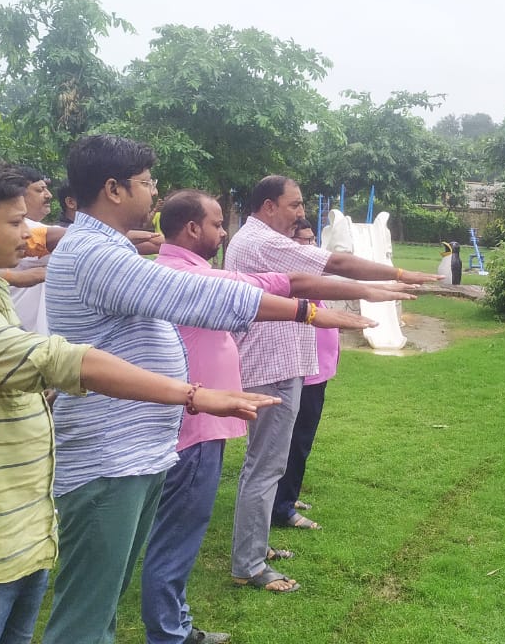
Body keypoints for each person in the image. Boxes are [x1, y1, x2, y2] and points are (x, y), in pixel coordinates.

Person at [0, 157, 279, 644]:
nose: (28, 236)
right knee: (82, 625)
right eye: (13, 223)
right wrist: (193, 395)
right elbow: (64, 360)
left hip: (17, 530)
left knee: (91, 616)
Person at [40, 137, 374, 644]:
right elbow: (193, 295)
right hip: (110, 454)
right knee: (85, 616)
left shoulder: (108, 247)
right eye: (147, 182)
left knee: (104, 600)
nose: (154, 192)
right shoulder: (93, 253)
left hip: (133, 448)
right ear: (112, 188)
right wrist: (307, 309)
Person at [140, 194, 414, 644]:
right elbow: (282, 287)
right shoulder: (188, 272)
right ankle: (189, 615)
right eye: (214, 223)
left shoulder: (190, 268)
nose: (222, 232)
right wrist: (342, 304)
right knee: (188, 526)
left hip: (203, 412)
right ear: (192, 229)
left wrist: (365, 291)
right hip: (200, 416)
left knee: (195, 519)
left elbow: (282, 282)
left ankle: (179, 620)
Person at [225, 175, 438, 594]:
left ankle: (255, 546)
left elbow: (309, 282)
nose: (301, 212)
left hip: (278, 363)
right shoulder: (260, 240)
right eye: (294, 205)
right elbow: (332, 266)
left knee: (268, 464)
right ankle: (248, 563)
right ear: (268, 207)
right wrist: (395, 274)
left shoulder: (258, 239)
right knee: (265, 467)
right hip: (271, 366)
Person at [270, 218, 340, 532]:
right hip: (302, 369)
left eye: (312, 240)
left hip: (319, 368)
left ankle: (287, 495)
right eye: (302, 241)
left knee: (303, 438)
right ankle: (282, 508)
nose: (309, 247)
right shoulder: (291, 279)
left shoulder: (309, 272)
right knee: (295, 439)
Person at [5, 166, 53, 334]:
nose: (49, 195)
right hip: (21, 333)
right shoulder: (29, 231)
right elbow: (71, 239)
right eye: (40, 190)